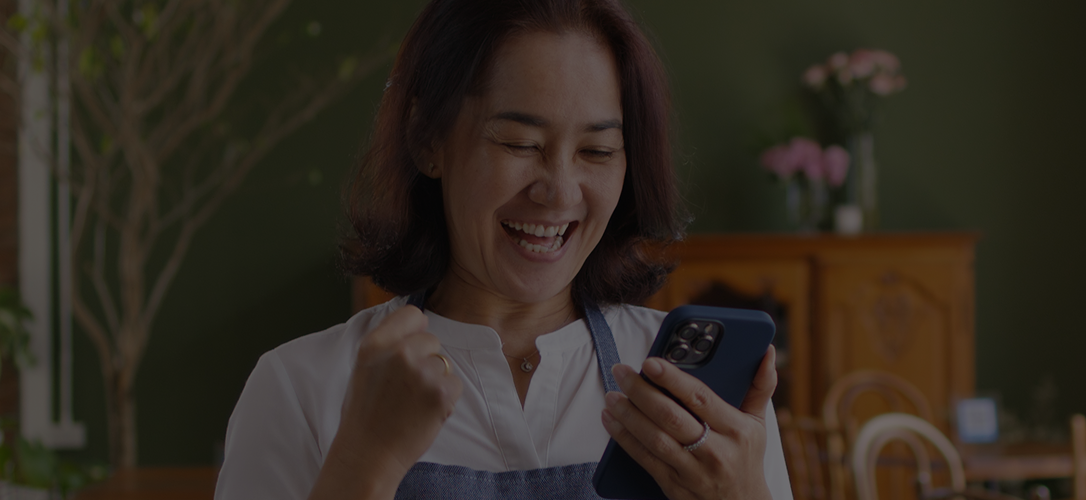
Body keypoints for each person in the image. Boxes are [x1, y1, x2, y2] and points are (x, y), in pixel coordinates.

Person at [214, 0, 792, 498]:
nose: (560, 191)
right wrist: (367, 464)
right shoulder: (300, 385)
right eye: (520, 142)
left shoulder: (695, 401)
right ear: (427, 139)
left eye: (596, 151)